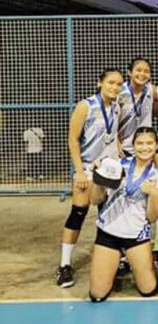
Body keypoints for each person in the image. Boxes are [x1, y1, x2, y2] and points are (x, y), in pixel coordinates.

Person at [56, 68, 123, 288]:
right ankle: (64, 265)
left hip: (107, 169)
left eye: (119, 84)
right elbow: (73, 140)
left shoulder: (116, 107)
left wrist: (118, 148)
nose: (115, 87)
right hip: (86, 167)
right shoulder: (85, 106)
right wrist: (80, 171)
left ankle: (114, 259)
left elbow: (112, 135)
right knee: (78, 213)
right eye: (111, 83)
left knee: (109, 214)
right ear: (99, 83)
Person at [88, 127, 158, 302]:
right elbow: (95, 200)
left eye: (149, 143)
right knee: (97, 294)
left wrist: (152, 194)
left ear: (156, 145)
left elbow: (152, 217)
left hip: (136, 235)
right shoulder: (117, 166)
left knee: (148, 290)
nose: (144, 148)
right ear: (133, 145)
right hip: (108, 232)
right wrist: (98, 180)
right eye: (140, 143)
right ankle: (113, 265)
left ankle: (146, 265)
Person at [118, 57, 157, 157]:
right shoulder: (120, 92)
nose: (142, 74)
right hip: (123, 147)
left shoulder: (152, 90)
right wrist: (116, 143)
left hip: (145, 147)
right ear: (129, 72)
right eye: (138, 70)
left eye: (146, 71)